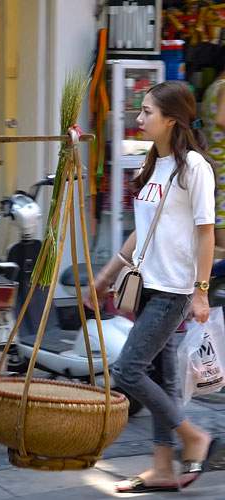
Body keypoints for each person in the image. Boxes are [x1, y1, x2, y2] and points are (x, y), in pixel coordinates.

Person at [88, 81, 220, 493]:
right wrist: (107, 274)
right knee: (160, 378)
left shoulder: (194, 168)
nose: (139, 118)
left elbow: (206, 234)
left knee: (127, 369)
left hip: (175, 291)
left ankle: (192, 437)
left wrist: (200, 291)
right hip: (146, 286)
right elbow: (140, 232)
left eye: (147, 112)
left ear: (171, 120)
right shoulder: (155, 164)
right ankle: (162, 467)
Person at [202, 70, 225, 249]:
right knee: (222, 213)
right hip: (222, 160)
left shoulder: (212, 88)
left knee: (218, 209)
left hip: (214, 156)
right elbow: (221, 119)